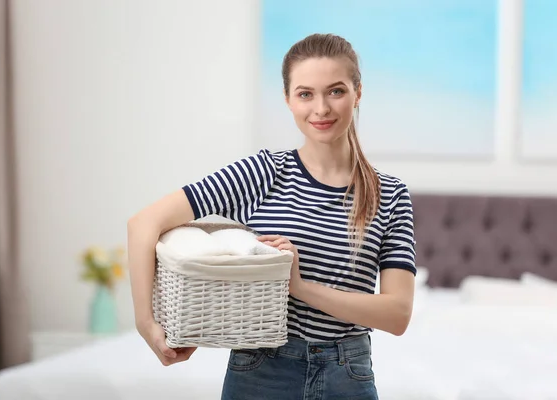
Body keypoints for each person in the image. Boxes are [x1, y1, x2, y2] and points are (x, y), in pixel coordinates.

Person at [127, 33, 416, 400]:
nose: (321, 108)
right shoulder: (263, 172)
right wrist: (146, 324)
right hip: (261, 371)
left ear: (358, 93)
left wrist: (299, 286)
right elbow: (143, 224)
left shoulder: (389, 193)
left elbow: (397, 313)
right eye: (305, 93)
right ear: (288, 99)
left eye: (336, 91)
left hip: (348, 374)